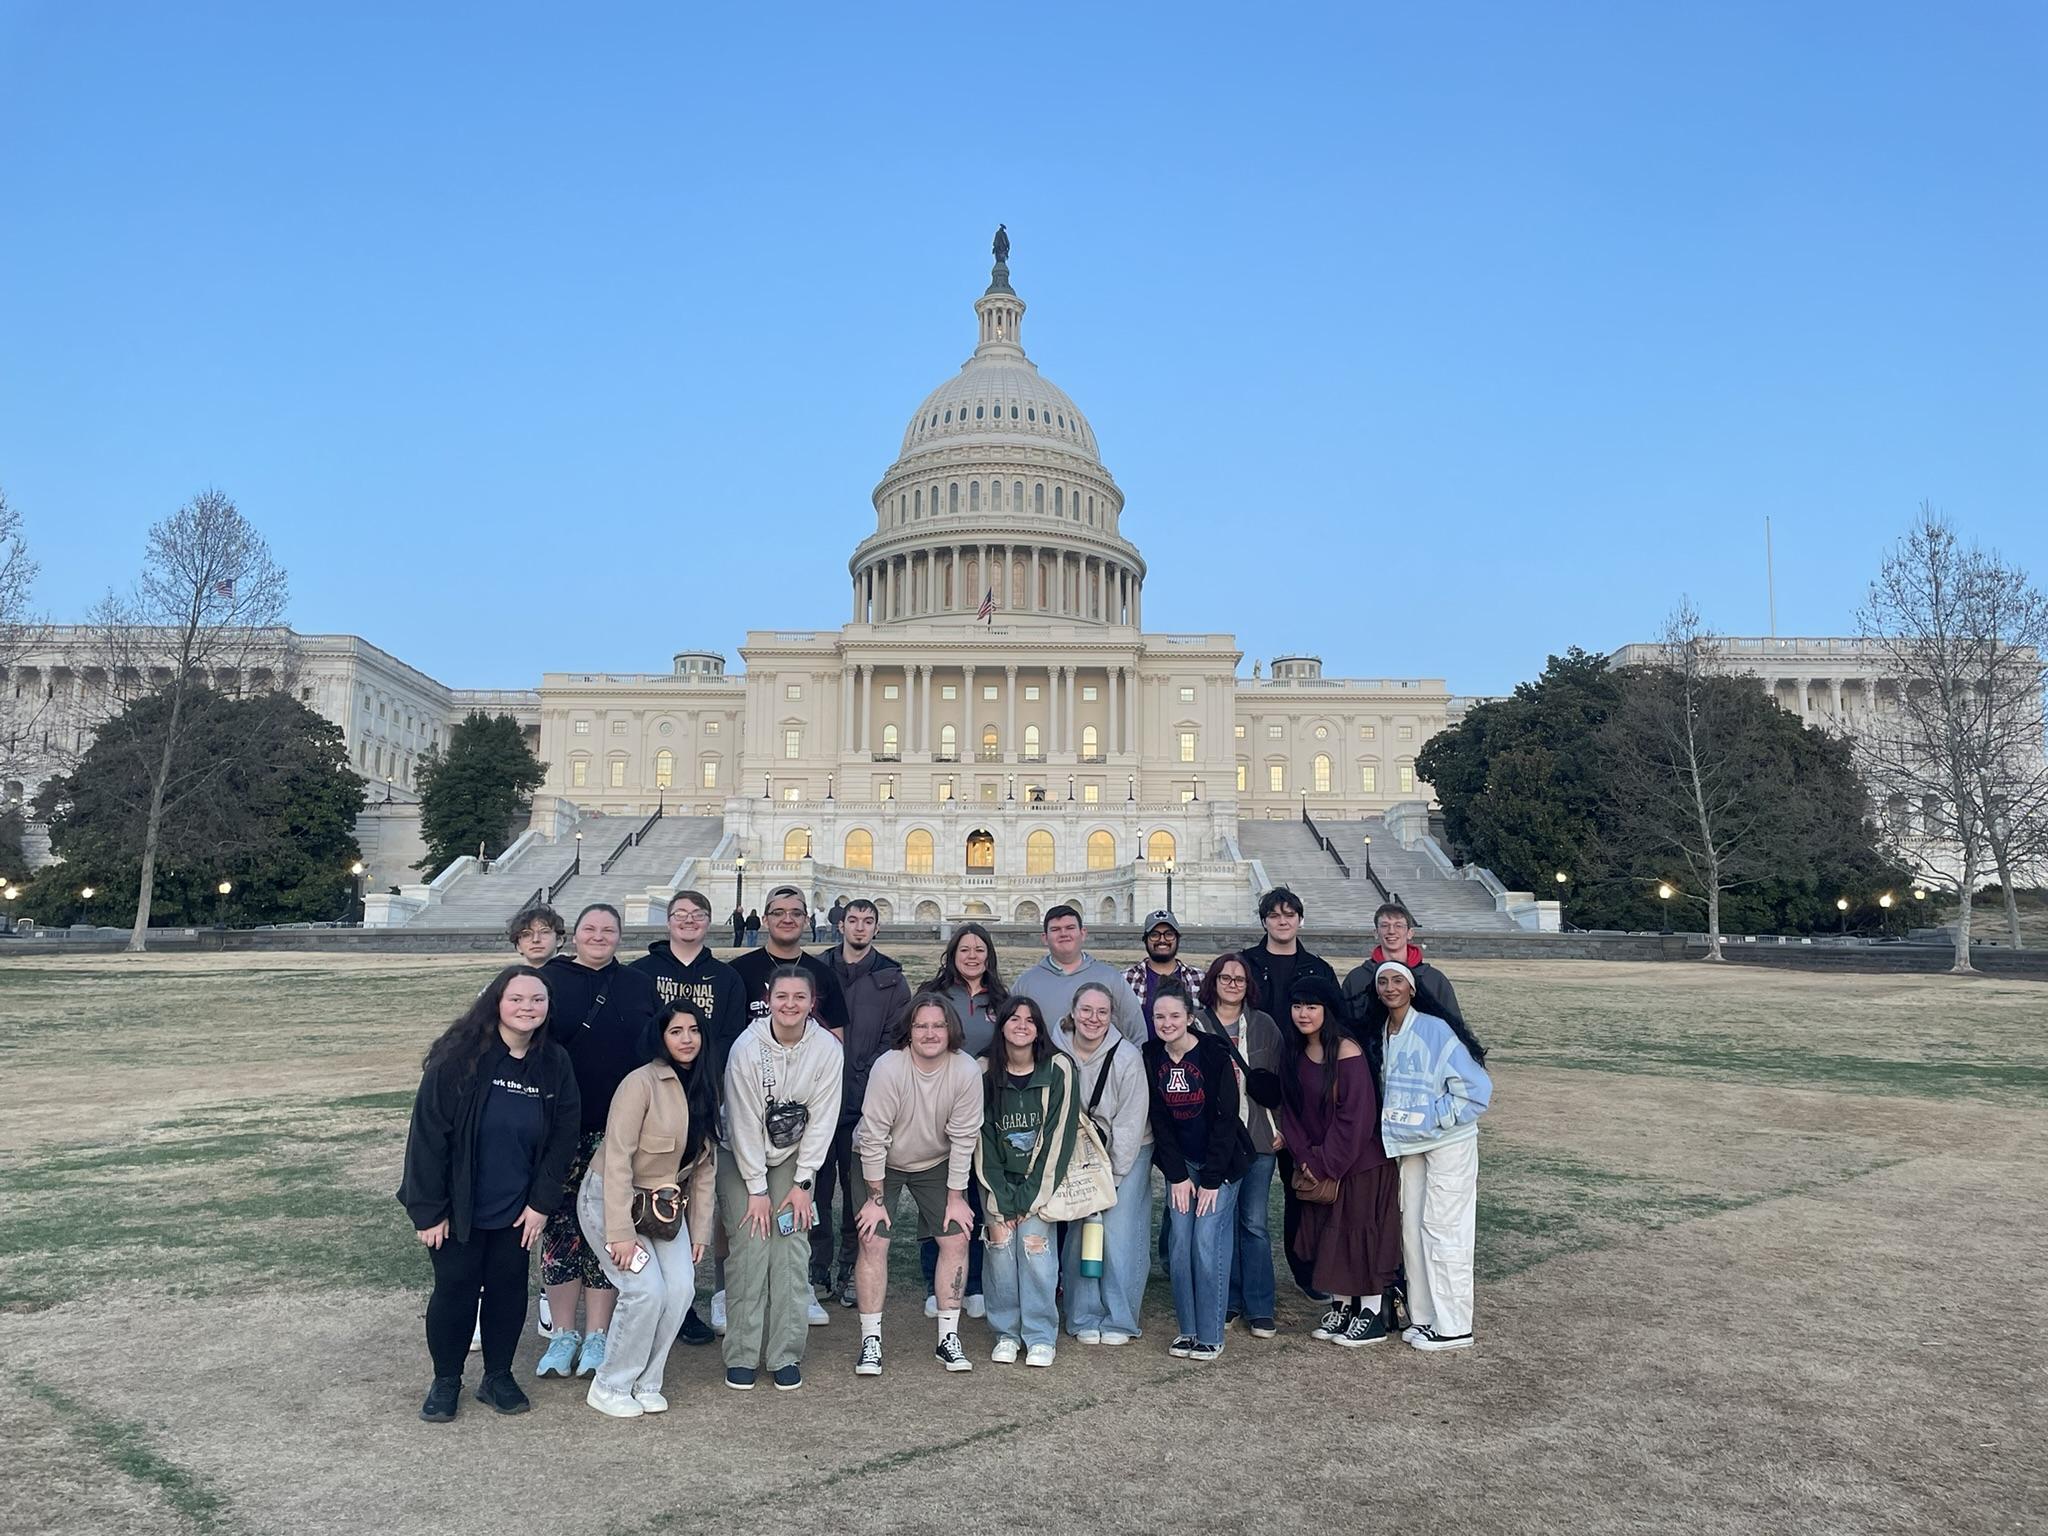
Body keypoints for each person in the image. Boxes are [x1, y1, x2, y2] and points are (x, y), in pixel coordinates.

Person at [400, 965, 579, 1423]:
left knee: (507, 1290)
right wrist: (428, 1211)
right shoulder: (458, 1059)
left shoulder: (553, 1062)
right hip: (457, 1208)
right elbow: (427, 1136)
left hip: (518, 1208)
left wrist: (541, 1203)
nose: (527, 1008)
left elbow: (563, 1136)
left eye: (537, 1000)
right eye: (516, 999)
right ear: (496, 1003)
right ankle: (446, 1381)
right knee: (455, 1290)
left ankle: (497, 1376)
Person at [533, 904, 660, 1382]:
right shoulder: (550, 980)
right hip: (561, 1126)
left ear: (620, 937)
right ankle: (563, 1332)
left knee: (609, 1230)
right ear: (575, 935)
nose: (599, 936)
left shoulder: (636, 984)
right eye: (590, 928)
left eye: (609, 929)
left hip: (618, 1131)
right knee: (561, 1228)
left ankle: (598, 1334)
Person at [575, 1000, 719, 1416]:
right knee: (644, 1290)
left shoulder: (707, 1083)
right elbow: (618, 1157)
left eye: (694, 1030)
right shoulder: (640, 1083)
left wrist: (701, 1231)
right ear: (661, 1037)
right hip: (612, 1201)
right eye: (676, 1031)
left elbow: (705, 1166)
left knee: (680, 1289)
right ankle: (609, 1384)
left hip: (663, 1210)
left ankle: (646, 1380)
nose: (687, 1039)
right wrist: (618, 1232)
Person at [720, 886, 850, 1332]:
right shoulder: (739, 971)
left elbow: (833, 1037)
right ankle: (728, 1294)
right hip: (748, 1105)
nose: (788, 918)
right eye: (779, 912)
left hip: (799, 1126)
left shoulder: (821, 973)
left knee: (801, 1212)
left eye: (796, 912)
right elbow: (731, 1042)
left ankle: (803, 1288)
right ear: (765, 918)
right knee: (745, 1222)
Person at [630, 889, 747, 1348]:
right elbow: (637, 1036)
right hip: (654, 1099)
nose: (688, 921)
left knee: (696, 1197)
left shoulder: (725, 978)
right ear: (668, 921)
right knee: (651, 1194)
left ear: (708, 922)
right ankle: (650, 1295)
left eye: (697, 915)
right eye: (680, 914)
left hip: (704, 1096)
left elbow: (731, 1040)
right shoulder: (641, 974)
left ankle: (685, 1303)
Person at [719, 965, 844, 1390]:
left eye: (799, 998)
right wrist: (756, 1189)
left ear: (813, 1003)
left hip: (794, 1155)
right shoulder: (746, 1048)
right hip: (743, 1154)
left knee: (790, 1247)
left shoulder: (827, 1048)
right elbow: (742, 1123)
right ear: (769, 998)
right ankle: (741, 1352)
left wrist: (803, 1182)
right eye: (782, 997)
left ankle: (785, 1353)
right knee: (752, 1247)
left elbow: (824, 1119)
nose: (790, 1005)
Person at [849, 993, 982, 1377]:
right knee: (873, 1239)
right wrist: (875, 1199)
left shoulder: (966, 1070)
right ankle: (871, 1340)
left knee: (956, 1238)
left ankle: (948, 1338)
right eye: (921, 1025)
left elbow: (963, 1138)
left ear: (950, 1029)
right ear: (908, 1030)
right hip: (880, 1161)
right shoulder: (889, 1067)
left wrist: (956, 1198)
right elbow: (873, 1137)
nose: (929, 1033)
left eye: (937, 1025)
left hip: (936, 1161)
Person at [1275, 975, 1401, 1348]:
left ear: (1327, 1010)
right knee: (1329, 1235)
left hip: (1359, 1164)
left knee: (1360, 1234)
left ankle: (1372, 1313)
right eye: (1298, 1006)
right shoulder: (1294, 1052)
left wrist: (1327, 1162)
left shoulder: (1347, 1051)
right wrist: (1305, 1158)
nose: (1303, 1013)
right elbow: (1291, 1115)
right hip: (1317, 1164)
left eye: (1312, 1006)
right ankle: (1342, 1306)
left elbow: (1356, 1117)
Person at [1376, 959, 1493, 1352]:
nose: (1390, 987)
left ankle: (1455, 1324)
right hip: (1409, 1147)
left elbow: (1476, 1091)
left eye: (1398, 980)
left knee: (1445, 1230)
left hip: (1448, 1142)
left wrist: (1433, 1119)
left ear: (1411, 988)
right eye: (1384, 981)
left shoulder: (1435, 1029)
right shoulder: (1385, 1033)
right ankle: (1425, 1317)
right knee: (1412, 1231)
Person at [1237, 887, 1339, 1303]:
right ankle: (1241, 1277)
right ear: (1264, 920)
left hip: (1302, 1092)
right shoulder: (1244, 964)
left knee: (1303, 1184)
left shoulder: (1317, 968)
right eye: (1274, 915)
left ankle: (1308, 1270)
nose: (1282, 921)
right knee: (1247, 1191)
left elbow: (1334, 1026)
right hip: (1255, 1090)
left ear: (1299, 919)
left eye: (1289, 914)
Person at [1144, 986, 1250, 1362]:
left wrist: (1210, 1180)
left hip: (1220, 1164)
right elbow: (1159, 1118)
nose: (1167, 1023)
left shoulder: (1214, 1054)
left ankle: (1210, 1333)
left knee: (1206, 1243)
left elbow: (1226, 1121)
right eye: (1159, 1017)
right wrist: (1176, 1175)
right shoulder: (1151, 1054)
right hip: (1182, 1165)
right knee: (1179, 1245)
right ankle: (1187, 1330)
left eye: (1175, 1016)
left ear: (1190, 1018)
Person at [974, 996, 1081, 1367]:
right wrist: (1003, 1197)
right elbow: (981, 1137)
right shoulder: (984, 1069)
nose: (1021, 1025)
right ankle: (1006, 1332)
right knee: (1000, 1249)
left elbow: (1058, 1137)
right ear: (1001, 1025)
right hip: (997, 1183)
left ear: (1039, 1028)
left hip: (1041, 1183)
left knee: (1035, 1250)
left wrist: (1029, 1197)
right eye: (1013, 1018)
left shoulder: (1059, 1068)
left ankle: (1039, 1334)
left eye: (1030, 1020)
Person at [815, 898, 912, 1306]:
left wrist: (860, 1076)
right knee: (816, 1192)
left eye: (867, 921)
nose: (859, 927)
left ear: (876, 928)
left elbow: (896, 1038)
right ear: (840, 925)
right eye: (852, 920)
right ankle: (816, 1271)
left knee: (860, 1191)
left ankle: (853, 1270)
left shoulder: (891, 977)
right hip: (817, 1101)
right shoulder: (816, 968)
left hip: (865, 1102)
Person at [1193, 951, 1283, 1339]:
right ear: (1212, 982)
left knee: (1254, 1223)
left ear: (1249, 986)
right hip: (1217, 1142)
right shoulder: (1195, 1024)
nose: (1232, 984)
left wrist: (1284, 1128)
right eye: (1225, 978)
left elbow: (1280, 1082)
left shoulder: (1263, 1026)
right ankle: (1228, 1300)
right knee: (1221, 1223)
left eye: (1239, 979)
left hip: (1259, 1136)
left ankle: (1260, 1306)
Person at [1059, 981, 1152, 1347]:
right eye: (1086, 1010)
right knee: (1081, 1231)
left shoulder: (1126, 1057)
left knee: (1119, 1234)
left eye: (1101, 1012)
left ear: (1111, 1016)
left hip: (1126, 1151)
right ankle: (1083, 1315)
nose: (1093, 1019)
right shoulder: (1058, 1050)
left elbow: (1130, 1123)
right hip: (1078, 1154)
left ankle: (1120, 1317)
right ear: (1073, 1011)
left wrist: (1111, 1177)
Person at [922, 921, 1007, 1317]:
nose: (972, 956)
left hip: (989, 1112)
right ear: (952, 955)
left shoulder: (1002, 1000)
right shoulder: (935, 995)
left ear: (988, 954)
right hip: (938, 1109)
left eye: (979, 949)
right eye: (964, 949)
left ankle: (973, 1283)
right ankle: (932, 1281)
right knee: (937, 1195)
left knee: (975, 1195)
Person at [1009, 905, 1144, 1048]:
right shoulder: (1025, 983)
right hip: (1044, 1066)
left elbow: (1137, 1032)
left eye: (1070, 928)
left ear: (1083, 933)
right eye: (1055, 929)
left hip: (1101, 1068)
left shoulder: (1111, 978)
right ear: (1044, 938)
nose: (1063, 934)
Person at [1342, 901, 1468, 1037]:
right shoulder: (1356, 979)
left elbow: (1455, 1030)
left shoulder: (1435, 980)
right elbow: (1342, 1028)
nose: (1391, 931)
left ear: (1410, 933)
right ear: (1375, 932)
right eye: (1385, 926)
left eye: (1399, 926)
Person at [1122, 910, 1204, 1038]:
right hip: (1140, 1055)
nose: (1162, 940)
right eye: (1154, 935)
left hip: (1187, 1057)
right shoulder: (1126, 979)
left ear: (1177, 939)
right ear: (1145, 939)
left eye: (1169, 934)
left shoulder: (1198, 978)